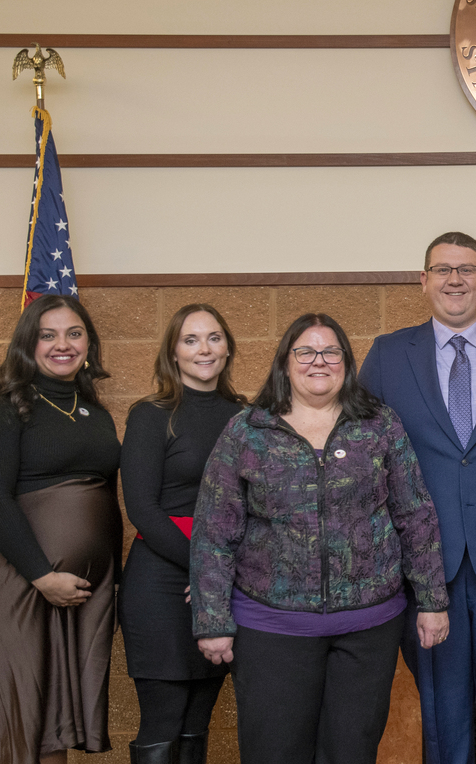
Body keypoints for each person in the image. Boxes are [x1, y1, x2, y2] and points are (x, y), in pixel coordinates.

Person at [189, 313, 449, 764]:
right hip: (271, 629)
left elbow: (415, 514)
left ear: (346, 362)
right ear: (285, 363)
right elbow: (214, 532)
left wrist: (432, 601)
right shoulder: (248, 431)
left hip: (368, 629)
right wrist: (211, 623)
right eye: (305, 352)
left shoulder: (379, 425)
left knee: (352, 752)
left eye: (331, 352)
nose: (319, 362)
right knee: (275, 752)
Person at [360, 232, 476, 764]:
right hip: (424, 566)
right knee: (441, 710)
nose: (454, 279)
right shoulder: (389, 354)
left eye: (466, 269)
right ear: (423, 280)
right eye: (442, 269)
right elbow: (363, 450)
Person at [0, 294, 122, 764]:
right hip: (13, 576)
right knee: (17, 709)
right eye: (47, 335)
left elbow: (104, 498)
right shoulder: (1, 405)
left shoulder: (94, 411)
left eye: (74, 333)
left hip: (72, 591)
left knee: (53, 719)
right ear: (26, 344)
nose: (62, 345)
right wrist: (41, 574)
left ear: (88, 342)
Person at [119, 304, 247, 764]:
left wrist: (219, 576)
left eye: (213, 337)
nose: (204, 349)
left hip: (221, 581)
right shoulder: (151, 415)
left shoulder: (246, 417)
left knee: (199, 720)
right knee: (164, 718)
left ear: (228, 346)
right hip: (162, 578)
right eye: (190, 340)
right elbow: (143, 511)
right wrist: (207, 568)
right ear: (173, 352)